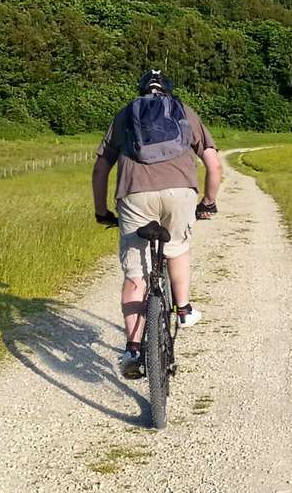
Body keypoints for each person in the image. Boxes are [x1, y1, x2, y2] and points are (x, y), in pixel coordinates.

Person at [92, 69, 223, 378]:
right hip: (180, 192)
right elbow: (214, 165)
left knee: (136, 274)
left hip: (134, 194)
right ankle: (184, 310)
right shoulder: (184, 112)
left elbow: (100, 169)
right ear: (169, 91)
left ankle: (133, 350)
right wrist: (208, 201)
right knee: (176, 249)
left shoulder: (125, 115)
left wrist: (101, 212)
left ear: (141, 90)